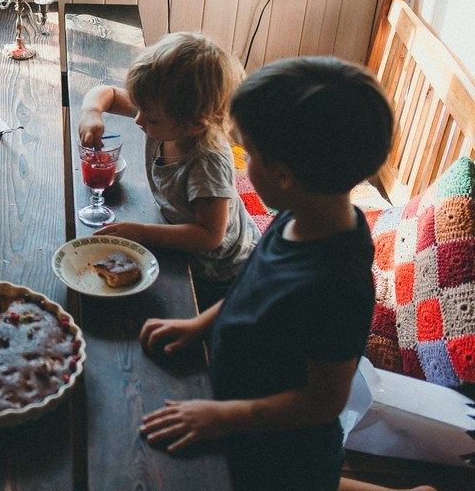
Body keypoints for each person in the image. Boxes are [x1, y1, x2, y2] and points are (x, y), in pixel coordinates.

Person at [137, 56, 396, 491]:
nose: (242, 165)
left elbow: (323, 401)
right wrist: (201, 324)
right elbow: (251, 290)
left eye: (249, 154)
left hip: (281, 449)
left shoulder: (338, 285)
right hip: (242, 411)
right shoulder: (299, 216)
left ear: (283, 175)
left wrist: (221, 417)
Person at [77, 31, 258, 305]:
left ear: (195, 124)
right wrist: (91, 112)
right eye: (138, 108)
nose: (138, 120)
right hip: (179, 229)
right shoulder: (164, 112)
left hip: (222, 271)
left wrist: (141, 232)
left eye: (149, 118)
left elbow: (210, 236)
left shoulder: (206, 163)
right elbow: (108, 94)